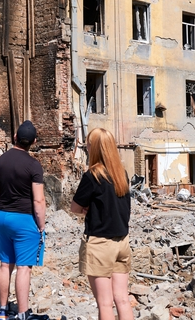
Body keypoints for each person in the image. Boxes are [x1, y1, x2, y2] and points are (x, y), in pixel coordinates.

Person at [71, 128, 133, 320]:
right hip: (122, 241)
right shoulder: (121, 173)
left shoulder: (93, 175)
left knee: (104, 303)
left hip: (100, 244)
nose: (87, 148)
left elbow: (74, 207)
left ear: (96, 148)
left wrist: (85, 209)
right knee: (122, 299)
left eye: (89, 144)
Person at [0, 120, 47, 320]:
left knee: (5, 264)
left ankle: (2, 311)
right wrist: (41, 225)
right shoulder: (34, 165)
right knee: (24, 267)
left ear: (15, 137)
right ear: (33, 141)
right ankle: (23, 313)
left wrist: (2, 213)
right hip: (25, 220)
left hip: (4, 217)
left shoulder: (0, 161)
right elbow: (38, 200)